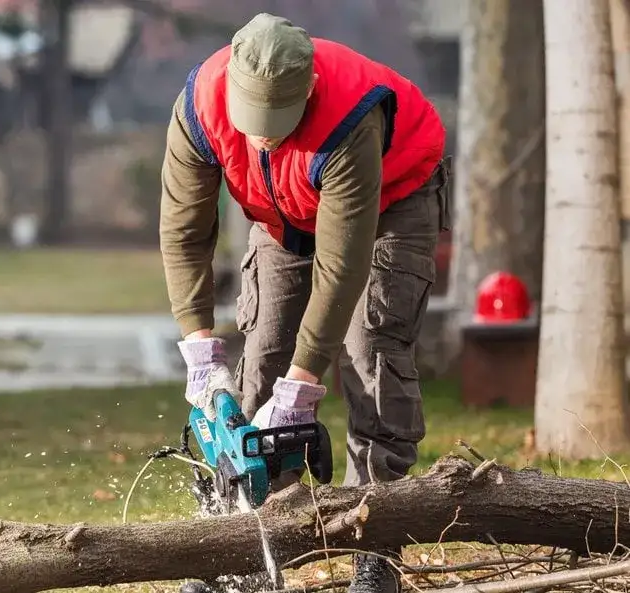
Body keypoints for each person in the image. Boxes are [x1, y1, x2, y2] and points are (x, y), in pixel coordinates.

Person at [161, 12, 450, 593]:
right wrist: (198, 346)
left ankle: (378, 548)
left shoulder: (350, 116)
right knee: (262, 358)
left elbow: (341, 269)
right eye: (254, 122)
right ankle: (256, 550)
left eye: (277, 121)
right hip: (280, 214)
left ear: (309, 90)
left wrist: (304, 386)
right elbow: (184, 231)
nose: (263, 135)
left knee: (371, 353)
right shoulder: (199, 108)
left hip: (392, 202)